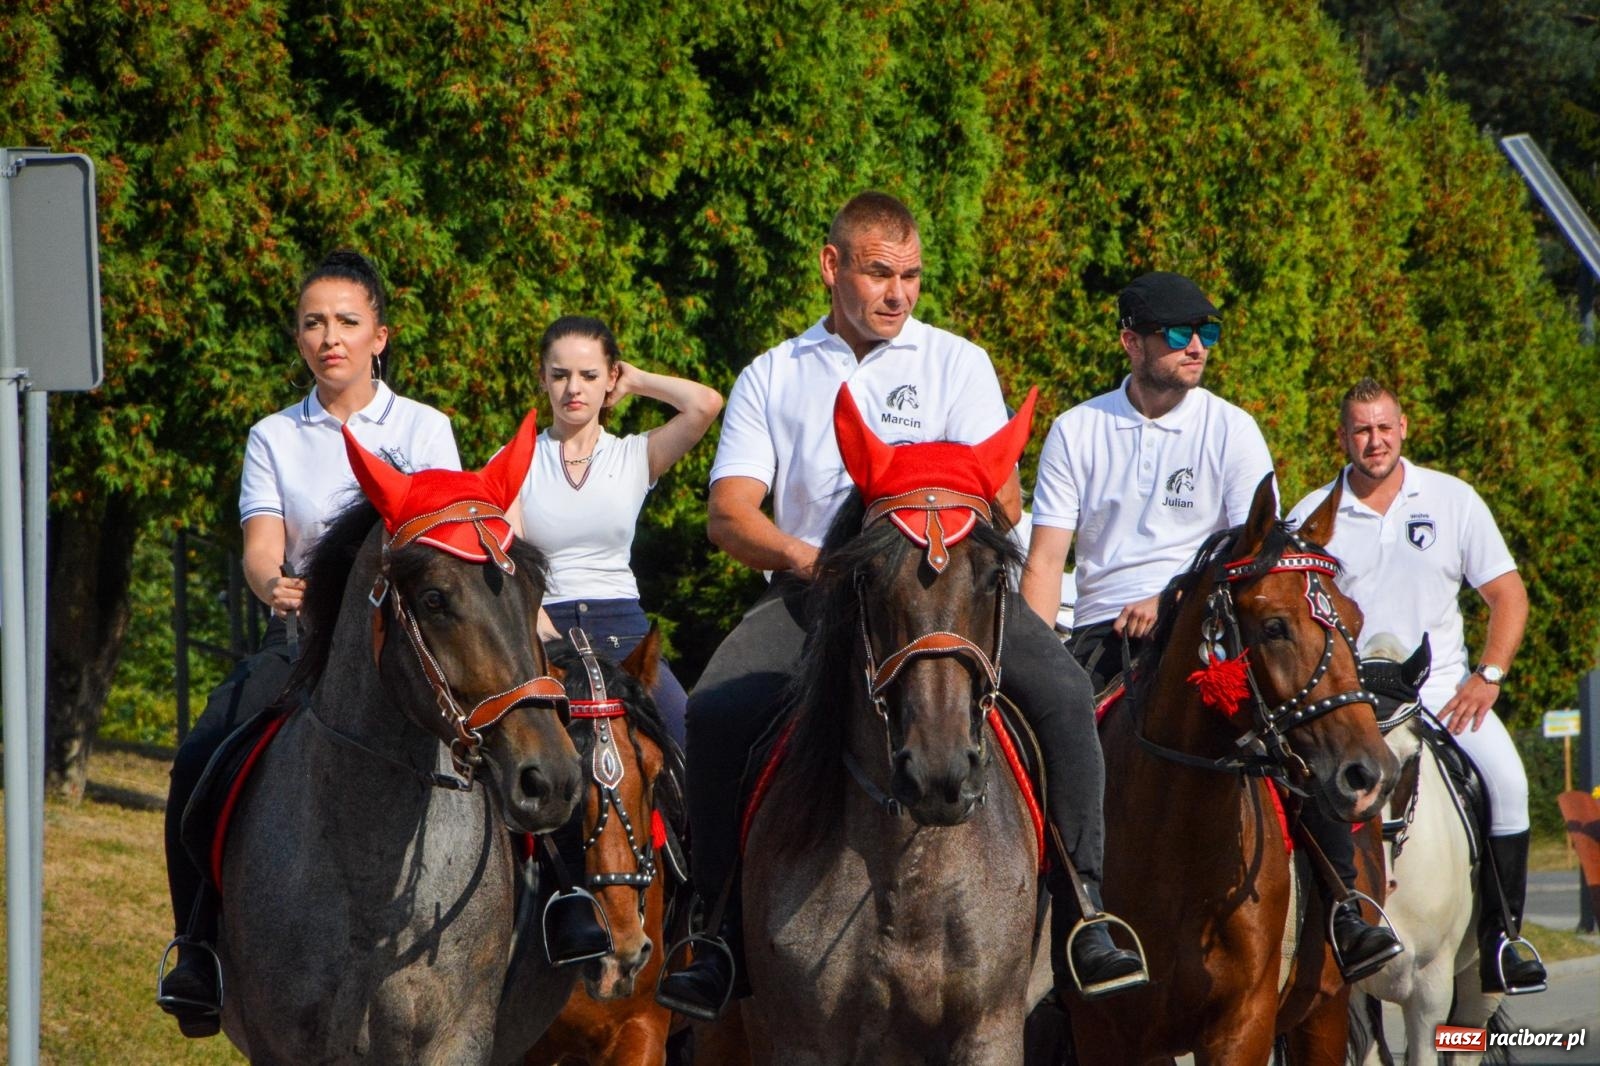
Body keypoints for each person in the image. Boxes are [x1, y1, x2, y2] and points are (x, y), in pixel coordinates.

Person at [654, 191, 1145, 1022]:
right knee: (712, 714)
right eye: (880, 273)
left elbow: (1004, 502)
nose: (898, 294)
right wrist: (813, 558)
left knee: (1063, 694)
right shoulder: (774, 373)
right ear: (831, 266)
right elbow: (729, 514)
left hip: (945, 594)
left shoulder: (957, 363)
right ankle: (715, 932)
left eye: (911, 276)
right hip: (815, 595)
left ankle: (1085, 912)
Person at [1021, 271, 1402, 981]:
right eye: (1178, 333)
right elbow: (1047, 561)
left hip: (1215, 624)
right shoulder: (1078, 428)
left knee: (1299, 718)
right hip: (1105, 630)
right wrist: (1042, 657)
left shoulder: (1232, 427)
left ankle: (1348, 903)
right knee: (1042, 741)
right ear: (1130, 341)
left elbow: (1258, 557)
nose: (1198, 346)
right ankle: (1062, 928)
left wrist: (1172, 602)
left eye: (1208, 332)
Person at [157, 250, 465, 1036]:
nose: (330, 337)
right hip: (302, 640)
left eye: (347, 322)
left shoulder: (426, 428)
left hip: (406, 644)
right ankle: (197, 947)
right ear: (298, 336)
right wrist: (274, 584)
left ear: (380, 336)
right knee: (202, 753)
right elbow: (264, 544)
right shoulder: (273, 435)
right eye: (313, 323)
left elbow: (448, 546)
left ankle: (544, 917)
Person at [1287, 378, 1546, 995]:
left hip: (1439, 693)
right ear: (1343, 437)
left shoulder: (1453, 499)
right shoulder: (1310, 514)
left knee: (1508, 784)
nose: (1373, 441)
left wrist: (1488, 677)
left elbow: (1507, 595)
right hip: (1347, 703)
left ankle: (1504, 939)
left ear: (1403, 428)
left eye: (1383, 427)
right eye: (1360, 430)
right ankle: (1303, 933)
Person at [509, 315, 722, 745]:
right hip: (543, 632)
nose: (574, 388)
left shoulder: (634, 454)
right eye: (560, 375)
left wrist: (638, 380)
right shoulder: (515, 457)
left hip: (624, 632)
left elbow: (705, 404)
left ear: (611, 377)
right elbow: (510, 562)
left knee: (690, 737)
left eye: (589, 375)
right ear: (542, 379)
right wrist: (545, 637)